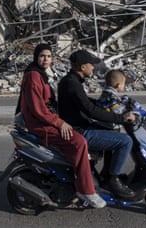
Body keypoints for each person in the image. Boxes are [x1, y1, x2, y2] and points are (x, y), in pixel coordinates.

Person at [18, 43, 106, 208]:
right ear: (36, 57)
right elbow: (38, 109)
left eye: (49, 56)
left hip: (46, 119)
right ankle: (85, 190)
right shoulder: (33, 76)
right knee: (79, 143)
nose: (46, 59)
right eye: (42, 56)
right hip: (40, 123)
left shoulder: (41, 74)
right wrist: (59, 122)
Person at [57, 49, 136, 198]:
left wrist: (102, 105)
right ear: (83, 67)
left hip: (80, 126)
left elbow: (85, 103)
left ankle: (106, 175)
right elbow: (90, 111)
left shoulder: (71, 81)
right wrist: (120, 118)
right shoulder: (72, 84)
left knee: (113, 133)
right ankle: (113, 180)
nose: (93, 68)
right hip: (79, 131)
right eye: (91, 65)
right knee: (126, 141)